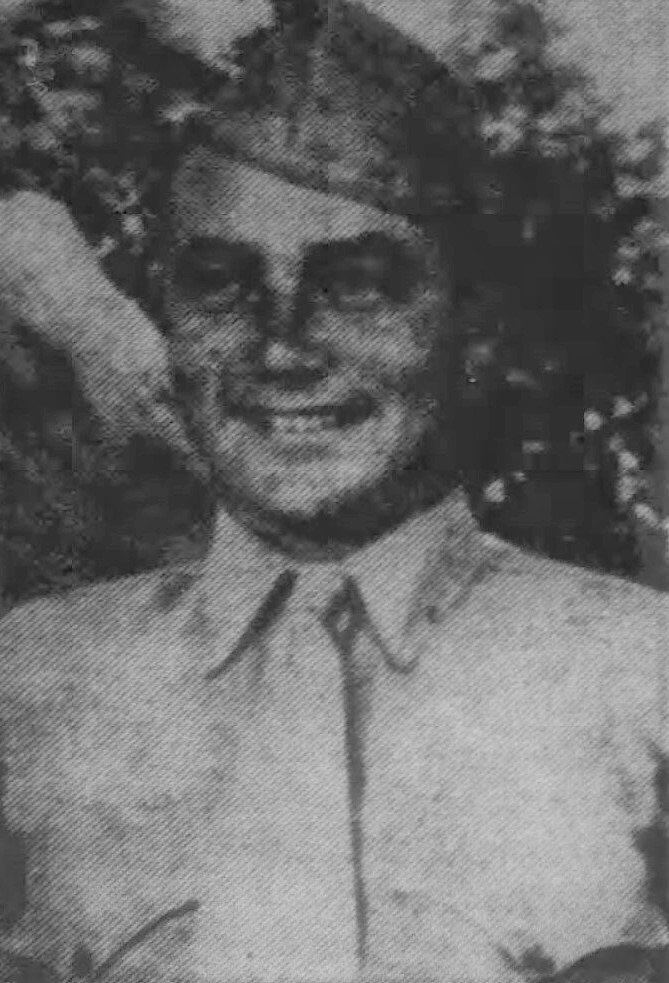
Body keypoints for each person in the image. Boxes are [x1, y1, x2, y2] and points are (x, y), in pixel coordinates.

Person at [0, 3, 667, 981]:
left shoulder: (638, 676)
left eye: (355, 283)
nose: (281, 348)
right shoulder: (33, 683)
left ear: (472, 323)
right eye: (220, 282)